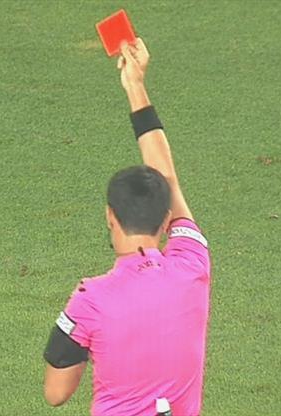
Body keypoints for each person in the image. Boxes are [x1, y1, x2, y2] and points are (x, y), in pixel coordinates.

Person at [43, 38, 211, 416]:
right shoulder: (193, 265)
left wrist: (71, 330)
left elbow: (55, 392)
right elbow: (168, 177)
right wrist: (136, 85)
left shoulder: (91, 298)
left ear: (110, 216)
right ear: (166, 218)